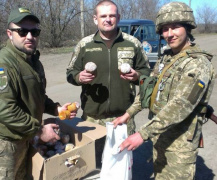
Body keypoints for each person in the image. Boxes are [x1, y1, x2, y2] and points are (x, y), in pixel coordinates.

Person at [114, 2, 215, 179]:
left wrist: (142, 134)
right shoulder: (167, 57)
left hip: (180, 144)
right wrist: (129, 114)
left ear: (187, 27)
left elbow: (181, 105)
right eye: (165, 29)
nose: (169, 34)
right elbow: (150, 89)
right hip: (160, 136)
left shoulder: (197, 64)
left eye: (175, 27)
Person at [0, 7, 77, 179]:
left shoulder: (32, 60)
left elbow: (37, 96)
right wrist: (40, 131)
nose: (30, 36)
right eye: (22, 31)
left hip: (26, 138)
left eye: (34, 31)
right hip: (6, 146)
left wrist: (56, 109)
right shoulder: (2, 65)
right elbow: (5, 110)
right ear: (10, 34)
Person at [67, 0, 150, 167]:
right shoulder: (85, 45)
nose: (108, 19)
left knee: (120, 168)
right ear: (95, 19)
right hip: (92, 119)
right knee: (92, 167)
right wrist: (79, 78)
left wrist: (136, 76)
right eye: (103, 16)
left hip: (123, 118)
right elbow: (70, 73)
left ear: (118, 18)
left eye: (112, 15)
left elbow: (147, 73)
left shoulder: (132, 43)